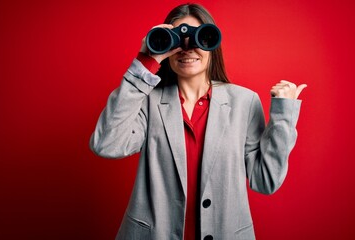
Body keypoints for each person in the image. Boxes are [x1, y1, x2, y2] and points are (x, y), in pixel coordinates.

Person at [89, 3, 307, 240]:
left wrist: (283, 116)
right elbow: (106, 144)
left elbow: (266, 180)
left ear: (211, 43)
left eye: (198, 38)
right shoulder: (147, 101)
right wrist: (145, 62)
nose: (187, 48)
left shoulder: (244, 101)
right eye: (177, 40)